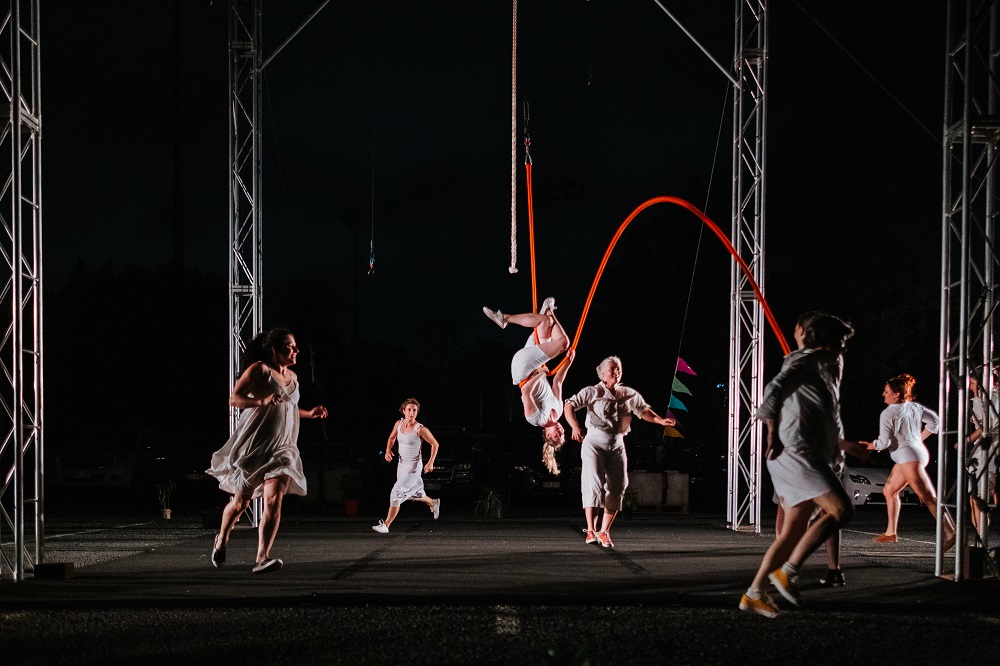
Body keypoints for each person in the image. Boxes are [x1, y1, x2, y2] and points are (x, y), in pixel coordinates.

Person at [739, 312, 855, 618]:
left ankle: (754, 593)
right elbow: (771, 392)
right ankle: (788, 571)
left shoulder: (832, 366)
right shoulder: (805, 360)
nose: (844, 347)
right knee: (842, 510)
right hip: (795, 451)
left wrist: (842, 447)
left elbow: (829, 411)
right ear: (825, 339)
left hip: (808, 451)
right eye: (840, 341)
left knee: (791, 531)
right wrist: (770, 435)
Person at [206, 328, 329, 573]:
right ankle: (222, 538)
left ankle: (262, 557)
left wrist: (308, 413)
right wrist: (260, 401)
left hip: (283, 448)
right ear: (275, 349)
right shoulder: (260, 370)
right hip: (255, 447)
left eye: (296, 347)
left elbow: (288, 408)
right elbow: (234, 399)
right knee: (241, 503)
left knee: (275, 500)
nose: (296, 351)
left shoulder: (293, 377)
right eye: (290, 347)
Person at [563, 356, 675, 549]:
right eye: (613, 369)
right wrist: (574, 426)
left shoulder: (628, 393)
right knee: (594, 483)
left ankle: (604, 531)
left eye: (619, 369)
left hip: (617, 443)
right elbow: (569, 405)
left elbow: (643, 410)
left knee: (618, 486)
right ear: (603, 373)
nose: (617, 372)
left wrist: (659, 421)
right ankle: (591, 528)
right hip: (594, 442)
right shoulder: (592, 391)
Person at [861, 373, 956, 549]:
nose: (883, 394)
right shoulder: (914, 407)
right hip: (914, 454)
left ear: (896, 395)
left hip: (908, 459)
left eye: (886, 391)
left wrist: (868, 446)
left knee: (927, 497)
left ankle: (952, 532)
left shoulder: (887, 413)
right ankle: (890, 533)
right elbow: (935, 422)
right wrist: (918, 440)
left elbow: (884, 442)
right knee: (889, 490)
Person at [483, 297, 575, 474]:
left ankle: (506, 318)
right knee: (545, 322)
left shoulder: (536, 420)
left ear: (548, 435)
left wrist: (540, 374)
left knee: (562, 343)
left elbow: (525, 392)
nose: (561, 430)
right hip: (534, 364)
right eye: (562, 433)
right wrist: (568, 363)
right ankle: (547, 311)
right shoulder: (559, 409)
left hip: (524, 370)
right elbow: (558, 381)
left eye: (557, 435)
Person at [372, 398, 442, 533]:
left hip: (413, 466)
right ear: (403, 411)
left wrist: (431, 462)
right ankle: (433, 503)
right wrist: (388, 450)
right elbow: (392, 438)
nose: (411, 413)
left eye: (414, 410)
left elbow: (435, 444)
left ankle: (386, 525)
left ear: (417, 412)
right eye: (409, 410)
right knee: (414, 493)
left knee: (397, 492)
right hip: (402, 465)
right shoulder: (398, 424)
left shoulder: (420, 429)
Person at [960, 372, 998, 533]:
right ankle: (979, 531)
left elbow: (986, 427)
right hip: (987, 451)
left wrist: (966, 440)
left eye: (972, 384)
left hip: (987, 451)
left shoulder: (984, 400)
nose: (970, 387)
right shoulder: (988, 398)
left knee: (980, 496)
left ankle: (981, 534)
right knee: (975, 496)